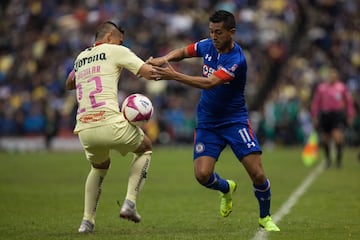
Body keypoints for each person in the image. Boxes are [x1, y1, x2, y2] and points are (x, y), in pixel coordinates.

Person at [148, 10, 280, 231]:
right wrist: (165, 58)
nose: (214, 36)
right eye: (211, 32)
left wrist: (175, 76)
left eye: (218, 32)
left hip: (234, 121)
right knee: (202, 175)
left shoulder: (236, 60)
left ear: (232, 32)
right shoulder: (208, 45)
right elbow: (183, 51)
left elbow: (209, 83)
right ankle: (226, 188)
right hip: (208, 122)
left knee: (257, 173)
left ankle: (265, 217)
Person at [65, 21, 156, 233]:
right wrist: (167, 69)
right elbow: (147, 72)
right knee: (146, 147)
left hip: (85, 129)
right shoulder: (116, 50)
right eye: (120, 40)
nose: (122, 44)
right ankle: (130, 203)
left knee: (99, 167)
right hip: (110, 123)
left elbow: (69, 83)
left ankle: (87, 222)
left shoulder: (81, 57)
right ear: (109, 38)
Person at [311, 67, 355, 168]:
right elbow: (316, 103)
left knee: (337, 137)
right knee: (325, 139)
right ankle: (328, 160)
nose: (332, 76)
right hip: (325, 115)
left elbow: (349, 102)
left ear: (337, 76)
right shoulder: (321, 88)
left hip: (337, 115)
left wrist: (350, 115)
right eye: (330, 74)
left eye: (334, 74)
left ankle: (338, 161)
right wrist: (314, 115)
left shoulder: (341, 87)